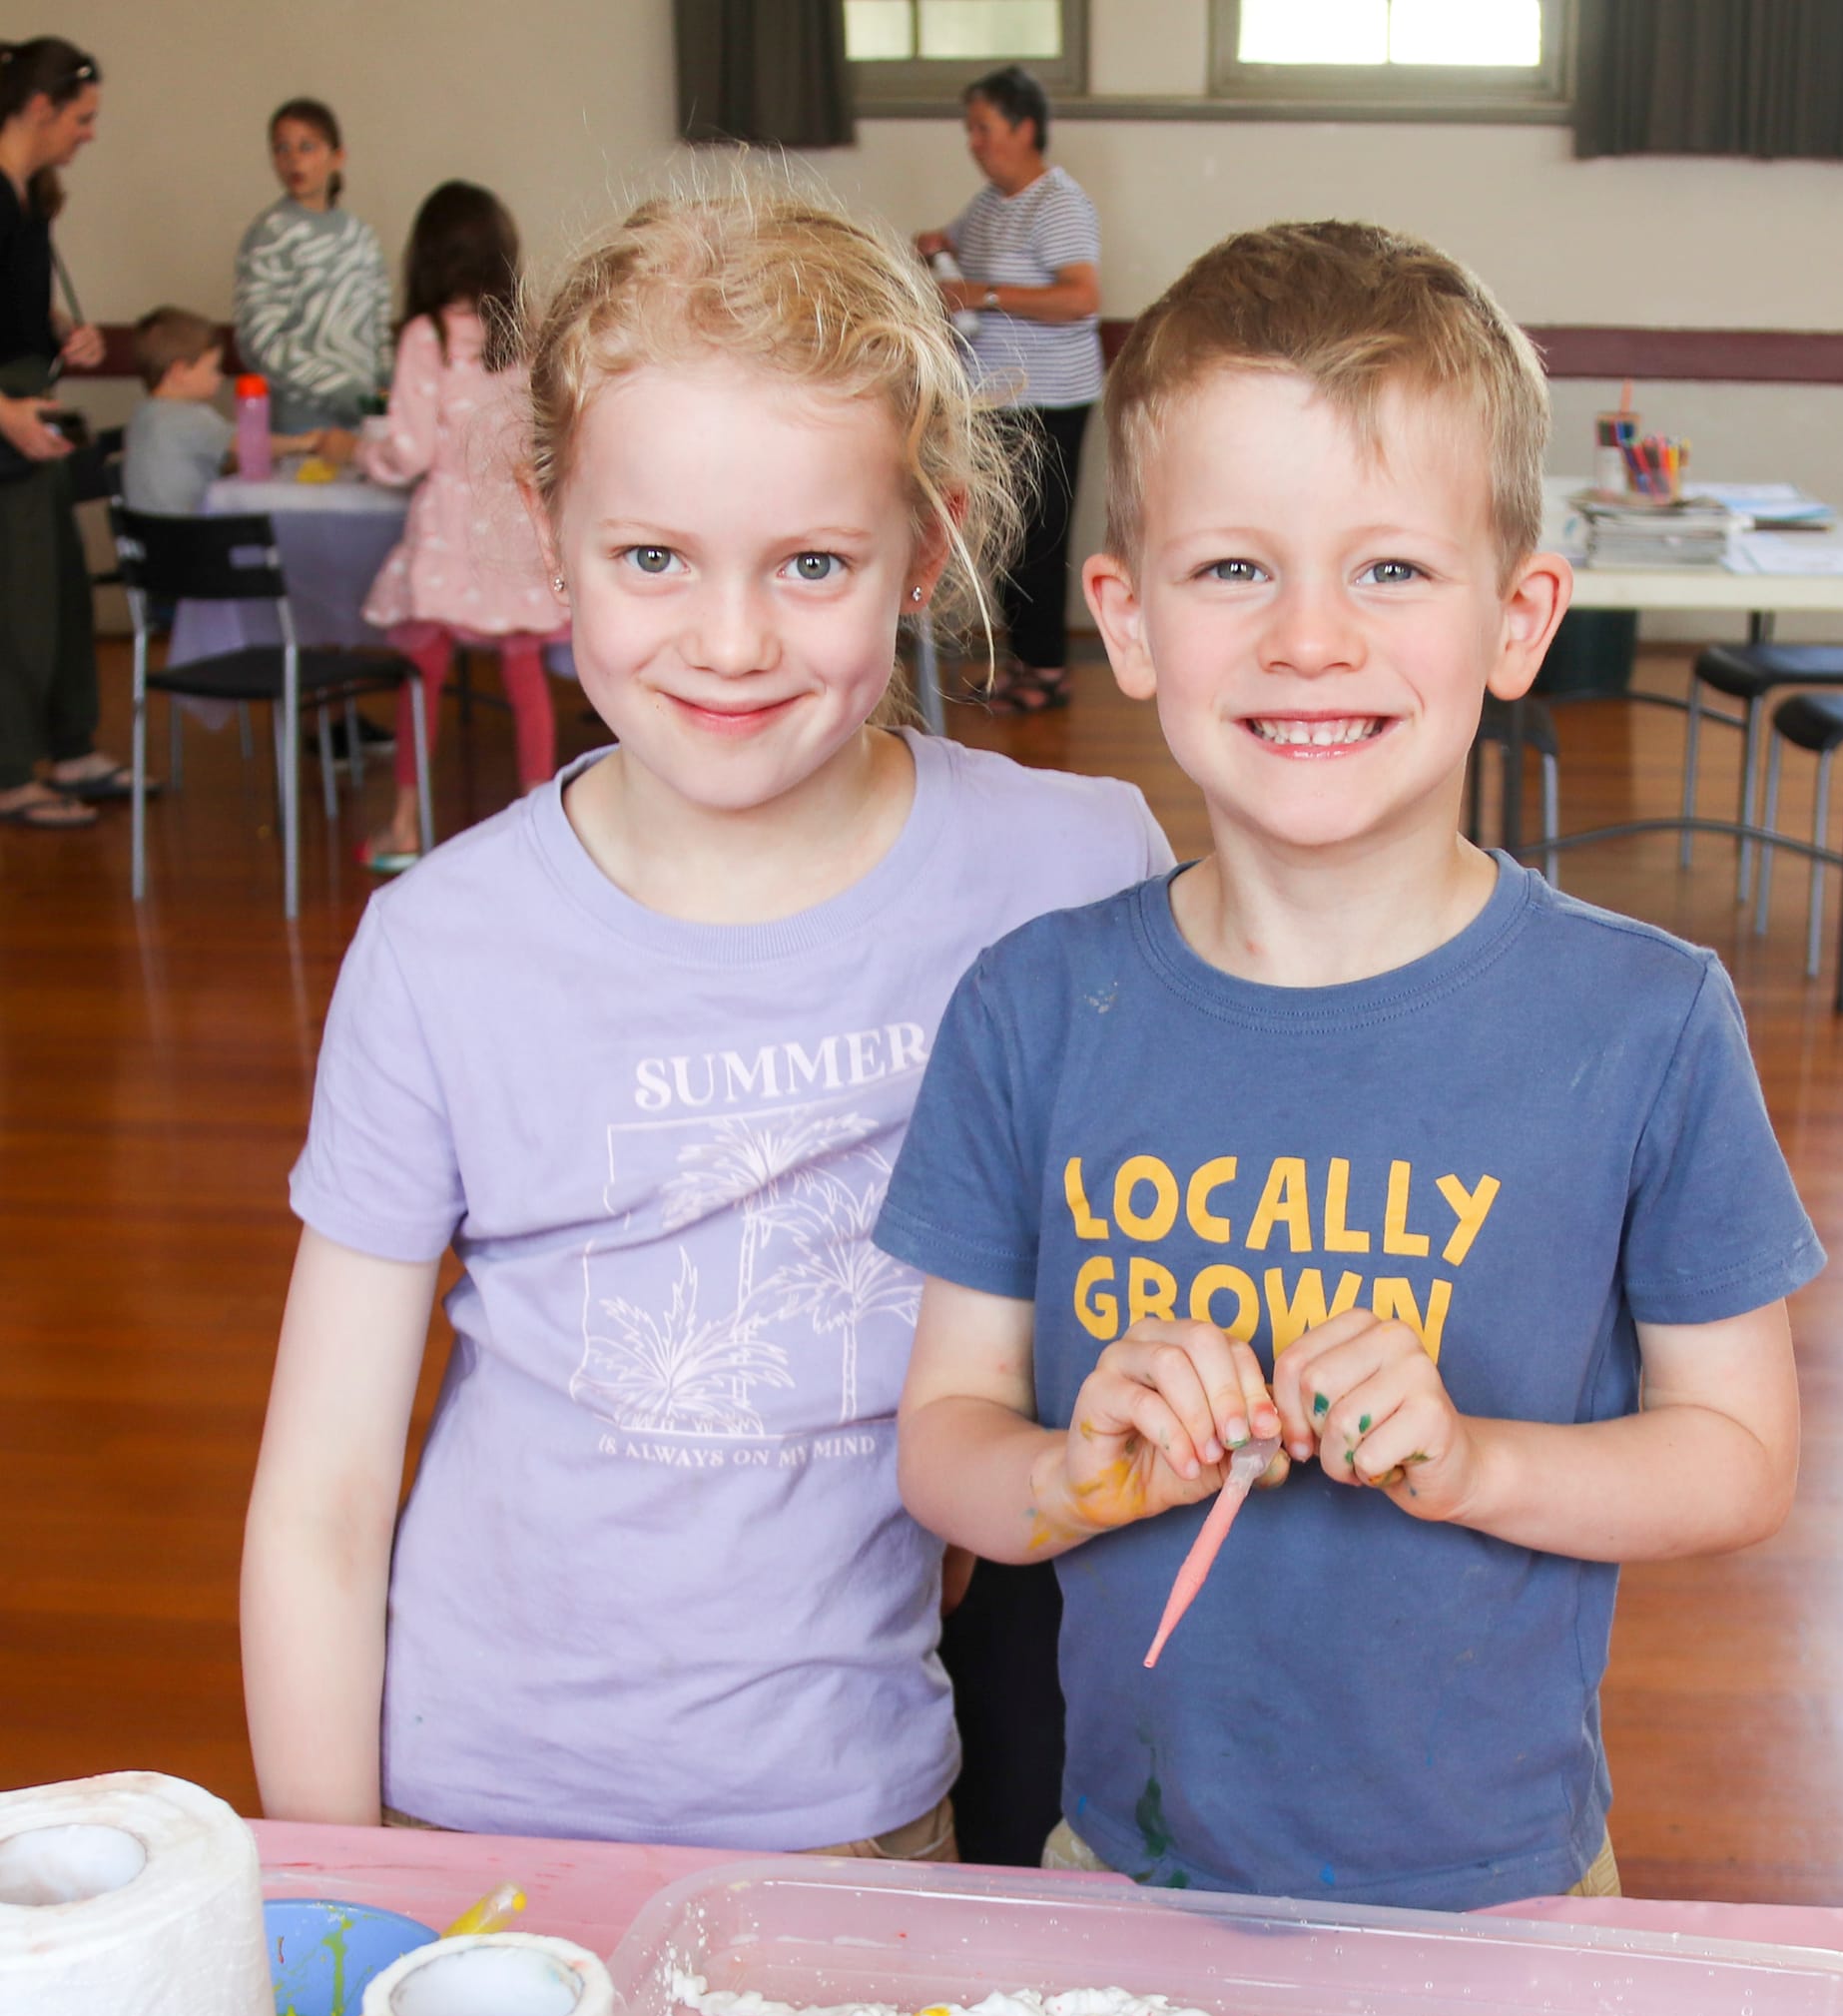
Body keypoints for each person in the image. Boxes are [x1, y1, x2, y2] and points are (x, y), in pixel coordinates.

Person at [880, 220, 1826, 1909]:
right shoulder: (1030, 1007)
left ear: (1518, 618)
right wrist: (1073, 1471)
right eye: (1233, 570)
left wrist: (1479, 1464)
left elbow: (1740, 1456)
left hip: (1511, 1895)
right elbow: (944, 1444)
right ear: (1128, 620)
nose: (1310, 638)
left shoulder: (1647, 1022)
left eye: (1389, 570)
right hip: (1127, 1870)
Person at [241, 185, 1172, 1846]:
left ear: (928, 545)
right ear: (549, 532)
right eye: (652, 556)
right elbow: (322, 1491)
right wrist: (326, 1880)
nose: (730, 642)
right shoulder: (441, 946)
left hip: (863, 1798)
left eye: (812, 562)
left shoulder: (1076, 869)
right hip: (478, 1804)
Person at [314, 182, 565, 875]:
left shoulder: (426, 335)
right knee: (524, 672)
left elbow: (410, 451)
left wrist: (360, 453)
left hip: (449, 527)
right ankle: (543, 825)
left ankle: (404, 823)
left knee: (422, 671)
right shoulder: (527, 326)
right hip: (515, 521)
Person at [916, 64, 1100, 716]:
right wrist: (936, 244)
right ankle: (1020, 663)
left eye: (983, 127)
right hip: (997, 399)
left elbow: (1081, 297)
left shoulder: (1058, 203)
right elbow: (956, 247)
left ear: (1024, 129)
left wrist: (984, 294)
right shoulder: (992, 202)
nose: (973, 141)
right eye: (970, 128)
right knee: (1009, 537)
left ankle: (1047, 671)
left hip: (1049, 401)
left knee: (1041, 538)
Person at [0, 34, 137, 830]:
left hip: (34, 408)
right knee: (16, 602)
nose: (89, 133)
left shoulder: (30, 196)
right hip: (9, 418)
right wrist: (7, 414)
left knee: (61, 592)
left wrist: (62, 331)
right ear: (40, 107)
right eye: (81, 117)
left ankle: (71, 747)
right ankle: (11, 773)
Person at [234, 96, 390, 435]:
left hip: (366, 421)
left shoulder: (360, 235)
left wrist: (385, 395)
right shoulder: (270, 234)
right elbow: (261, 341)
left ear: (337, 156)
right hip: (301, 427)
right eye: (282, 148)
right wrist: (343, 392)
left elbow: (379, 328)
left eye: (306, 147)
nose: (293, 159)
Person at [121, 306, 314, 513]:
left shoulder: (143, 414)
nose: (220, 377)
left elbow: (223, 458)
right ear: (180, 372)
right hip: (189, 527)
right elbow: (250, 444)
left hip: (146, 530)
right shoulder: (189, 417)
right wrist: (305, 443)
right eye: (213, 369)